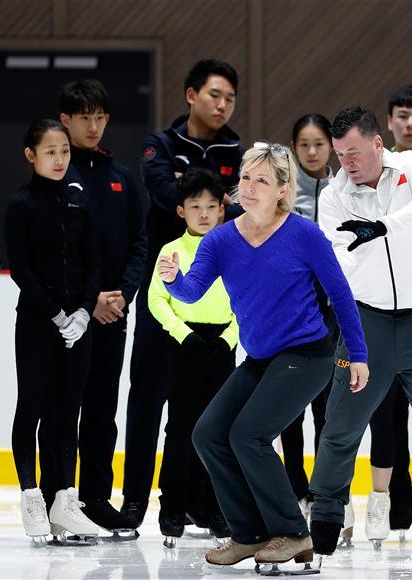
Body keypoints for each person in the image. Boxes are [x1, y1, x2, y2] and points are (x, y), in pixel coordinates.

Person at [158, 142, 368, 572]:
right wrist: (175, 279)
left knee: (249, 435)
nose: (249, 188)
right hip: (260, 358)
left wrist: (358, 355)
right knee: (209, 434)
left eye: (262, 181)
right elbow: (192, 292)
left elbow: (341, 296)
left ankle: (294, 532)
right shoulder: (221, 239)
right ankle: (249, 533)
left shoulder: (304, 234)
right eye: (246, 178)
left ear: (282, 189)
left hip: (307, 354)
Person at [308, 107, 412, 571]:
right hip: (366, 323)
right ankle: (324, 520)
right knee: (340, 426)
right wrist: (374, 240)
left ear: (378, 144)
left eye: (354, 153)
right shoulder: (335, 195)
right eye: (340, 156)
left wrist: (380, 228)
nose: (346, 164)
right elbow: (340, 260)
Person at [123, 59, 243, 525]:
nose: (223, 105)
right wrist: (214, 193)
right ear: (192, 95)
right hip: (166, 286)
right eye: (215, 95)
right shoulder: (161, 144)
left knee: (208, 410)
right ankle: (135, 497)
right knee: (149, 398)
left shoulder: (238, 148)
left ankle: (199, 500)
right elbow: (159, 192)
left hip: (215, 295)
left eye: (230, 98)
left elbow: (241, 206)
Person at [36, 80, 146, 538]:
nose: (94, 125)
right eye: (85, 117)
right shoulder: (55, 177)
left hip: (114, 312)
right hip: (68, 316)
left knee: (102, 408)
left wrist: (122, 295)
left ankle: (96, 498)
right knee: (63, 408)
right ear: (65, 119)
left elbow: (140, 243)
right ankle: (54, 498)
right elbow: (48, 250)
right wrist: (88, 299)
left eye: (101, 116)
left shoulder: (119, 176)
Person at [5, 119, 101, 546]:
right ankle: (31, 494)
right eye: (50, 151)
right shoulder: (21, 204)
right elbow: (23, 271)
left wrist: (81, 313)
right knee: (33, 406)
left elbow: (93, 263)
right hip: (37, 324)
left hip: (78, 327)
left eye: (64, 150)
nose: (60, 159)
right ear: (31, 155)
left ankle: (64, 499)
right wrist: (59, 314)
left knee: (68, 412)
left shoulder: (80, 201)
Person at [148, 168, 237, 546]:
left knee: (218, 430)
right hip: (184, 345)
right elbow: (156, 299)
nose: (204, 213)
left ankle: (212, 504)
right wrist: (183, 335)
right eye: (195, 205)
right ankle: (173, 505)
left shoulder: (234, 249)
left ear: (221, 210)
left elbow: (246, 301)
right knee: (181, 426)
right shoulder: (172, 250)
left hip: (222, 346)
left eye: (211, 206)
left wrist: (231, 338)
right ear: (181, 210)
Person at [279, 113, 336, 522]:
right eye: (304, 145)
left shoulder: (344, 192)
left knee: (328, 408)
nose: (312, 151)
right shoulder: (283, 196)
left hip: (332, 313)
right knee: (290, 407)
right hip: (291, 314)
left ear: (330, 145)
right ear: (294, 149)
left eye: (318, 143)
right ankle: (294, 484)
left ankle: (325, 488)